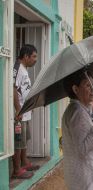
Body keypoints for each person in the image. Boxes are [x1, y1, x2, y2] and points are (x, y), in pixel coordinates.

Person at [62, 70, 93, 190]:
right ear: (76, 89)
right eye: (88, 85)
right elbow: (82, 149)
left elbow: (80, 141)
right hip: (86, 178)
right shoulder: (78, 113)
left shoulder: (78, 109)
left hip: (83, 177)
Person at [12, 44, 40, 179]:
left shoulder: (24, 69)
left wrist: (28, 107)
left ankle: (25, 162)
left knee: (24, 139)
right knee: (18, 141)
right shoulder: (17, 68)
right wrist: (18, 109)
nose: (36, 59)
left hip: (25, 111)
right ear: (26, 56)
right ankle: (17, 170)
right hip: (19, 113)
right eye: (34, 56)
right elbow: (13, 88)